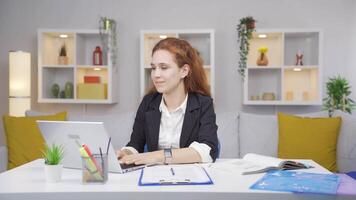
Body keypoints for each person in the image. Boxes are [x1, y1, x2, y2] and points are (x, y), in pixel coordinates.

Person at [117, 38, 218, 166]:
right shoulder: (148, 102)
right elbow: (135, 144)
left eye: (164, 68)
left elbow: (207, 150)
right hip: (155, 178)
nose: (156, 74)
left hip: (190, 178)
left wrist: (157, 156)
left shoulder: (203, 103)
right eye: (153, 68)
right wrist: (125, 153)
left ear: (184, 71)